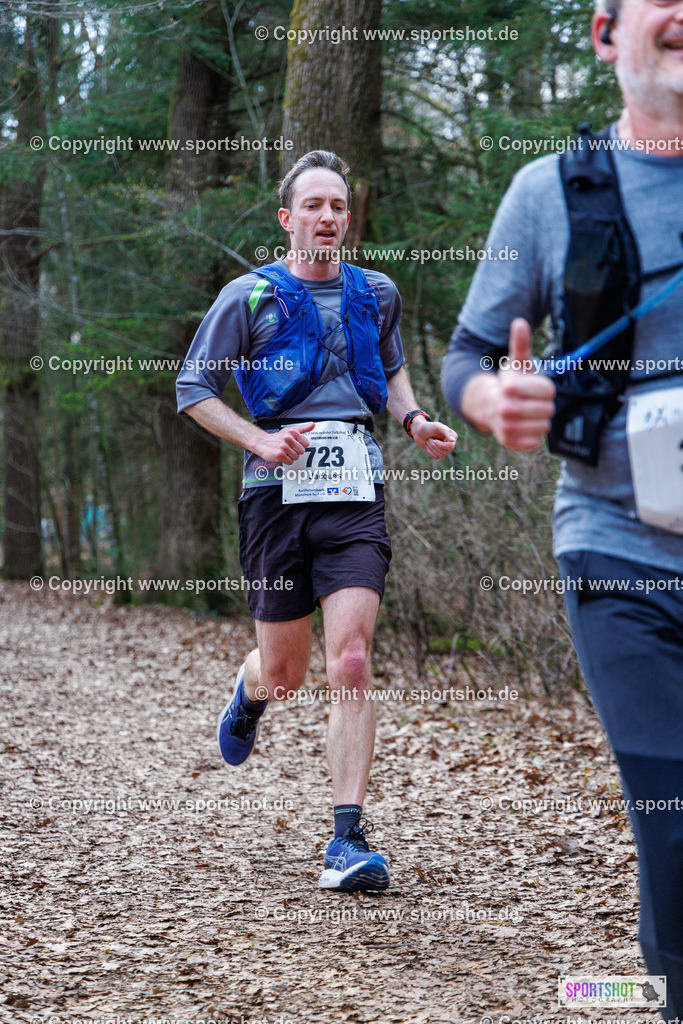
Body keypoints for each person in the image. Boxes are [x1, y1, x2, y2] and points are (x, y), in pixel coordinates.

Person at [441, 1, 683, 1019]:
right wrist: (493, 398)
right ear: (602, 34)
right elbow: (464, 355)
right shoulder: (548, 194)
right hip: (619, 551)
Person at [176, 150, 457, 893]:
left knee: (354, 659)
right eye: (313, 206)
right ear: (287, 218)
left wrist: (415, 418)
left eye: (338, 206)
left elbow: (388, 369)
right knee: (286, 673)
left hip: (356, 489)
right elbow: (193, 386)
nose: (328, 217)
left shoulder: (375, 293)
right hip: (274, 493)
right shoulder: (249, 296)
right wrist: (259, 440)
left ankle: (346, 839)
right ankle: (251, 689)